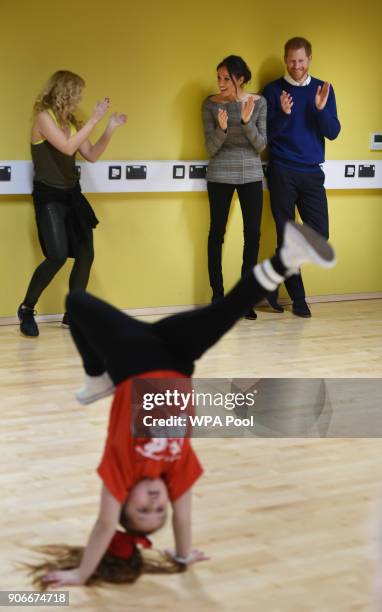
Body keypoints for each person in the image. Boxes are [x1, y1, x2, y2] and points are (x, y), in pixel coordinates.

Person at [27, 221, 335, 588]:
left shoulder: (120, 469)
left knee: (76, 301)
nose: (155, 502)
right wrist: (184, 554)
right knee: (226, 312)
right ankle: (288, 257)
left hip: (134, 362)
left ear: (125, 499)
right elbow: (184, 518)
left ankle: (97, 377)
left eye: (142, 508)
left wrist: (81, 573)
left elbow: (105, 524)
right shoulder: (176, 469)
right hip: (176, 358)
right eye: (159, 510)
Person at [17, 70, 127, 337]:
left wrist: (109, 129)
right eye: (78, 94)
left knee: (86, 254)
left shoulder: (74, 123)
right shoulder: (44, 118)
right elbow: (66, 148)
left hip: (72, 194)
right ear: (65, 92)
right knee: (55, 256)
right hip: (49, 196)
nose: (80, 100)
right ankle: (26, 308)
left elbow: (90, 155)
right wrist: (95, 119)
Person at [263, 37, 341, 317]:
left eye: (301, 60)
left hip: (311, 171)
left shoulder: (324, 90)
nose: (297, 66)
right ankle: (298, 299)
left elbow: (332, 132)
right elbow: (265, 136)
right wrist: (283, 115)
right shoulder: (272, 91)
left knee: (320, 233)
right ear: (285, 59)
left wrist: (320, 110)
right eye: (292, 60)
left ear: (310, 59)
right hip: (282, 170)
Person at [202, 55, 267, 320]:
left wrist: (245, 121)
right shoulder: (210, 105)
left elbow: (261, 145)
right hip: (219, 174)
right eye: (218, 77)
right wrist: (223, 128)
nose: (220, 83)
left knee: (252, 234)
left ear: (240, 79)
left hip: (251, 173)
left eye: (226, 78)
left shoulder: (259, 103)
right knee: (216, 233)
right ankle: (217, 295)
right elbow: (210, 147)